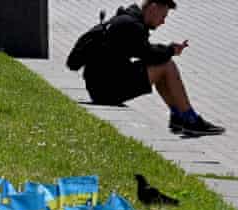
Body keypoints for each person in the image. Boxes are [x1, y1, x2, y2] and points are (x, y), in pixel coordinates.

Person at [83, 0, 225, 136]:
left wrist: (168, 49)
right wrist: (170, 51)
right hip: (106, 91)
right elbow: (148, 54)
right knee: (166, 65)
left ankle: (178, 115)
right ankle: (190, 119)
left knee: (162, 64)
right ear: (153, 8)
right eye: (163, 16)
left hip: (100, 86)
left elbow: (143, 50)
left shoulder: (127, 20)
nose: (163, 22)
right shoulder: (132, 25)